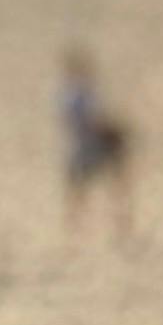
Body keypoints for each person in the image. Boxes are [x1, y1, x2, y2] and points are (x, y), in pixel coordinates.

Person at [59, 49, 134, 233]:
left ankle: (78, 226)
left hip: (84, 147)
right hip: (91, 147)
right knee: (103, 186)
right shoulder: (78, 97)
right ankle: (114, 224)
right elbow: (92, 121)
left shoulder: (74, 95)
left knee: (83, 189)